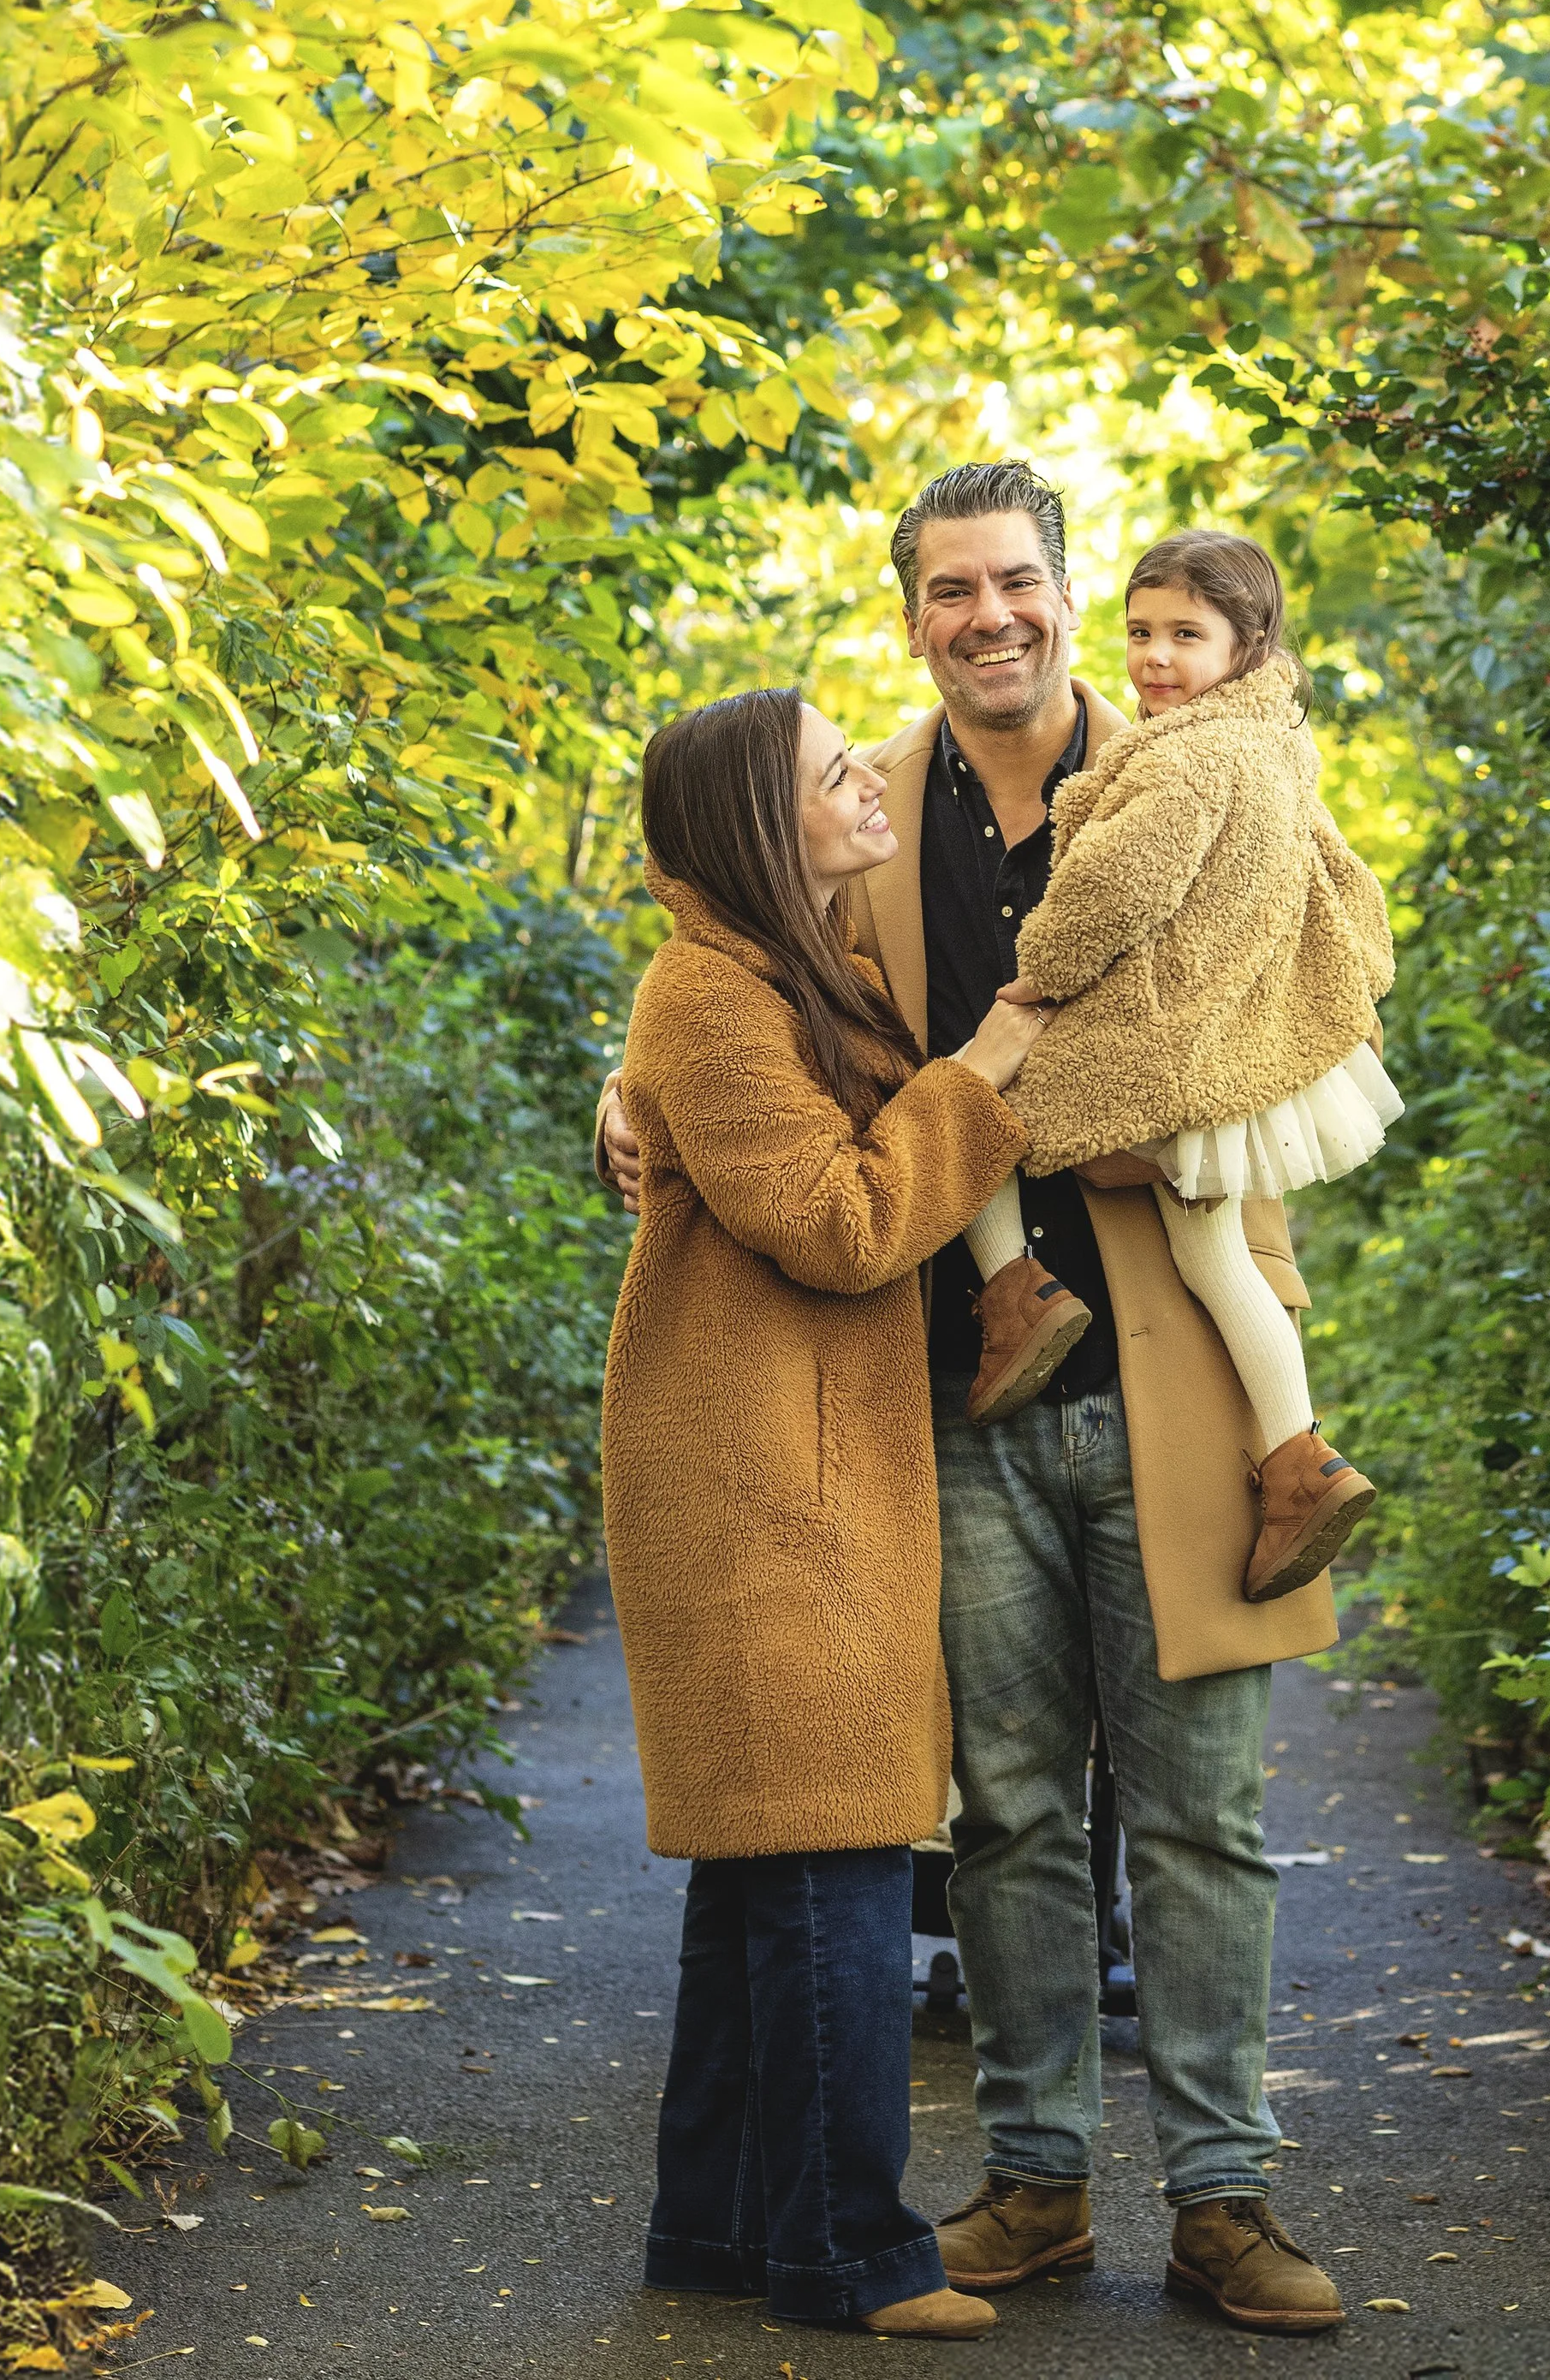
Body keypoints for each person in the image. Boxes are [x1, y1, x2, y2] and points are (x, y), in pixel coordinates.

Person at [600, 468, 1349, 2337]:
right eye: (950, 590)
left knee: (1199, 1809)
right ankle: (1031, 2181)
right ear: (910, 610)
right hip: (958, 1384)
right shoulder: (863, 824)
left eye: (1018, 581)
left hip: (1182, 1364)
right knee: (1003, 1808)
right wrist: (627, 1096)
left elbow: (1331, 943)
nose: (987, 616)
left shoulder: (1194, 757)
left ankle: (1224, 2193)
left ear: (1069, 596)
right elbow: (732, 987)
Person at [598, 685, 1045, 2341]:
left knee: (767, 1866)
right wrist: (985, 1071)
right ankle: (851, 2254)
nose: (867, 778)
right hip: (757, 1485)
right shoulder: (708, 993)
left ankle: (715, 2233)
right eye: (828, 773)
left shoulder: (797, 972)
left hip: (807, 1465)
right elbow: (846, 1223)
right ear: (754, 827)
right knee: (837, 1859)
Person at [958, 530, 1401, 1604]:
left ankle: (1017, 1293)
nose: (1154, 658)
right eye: (1140, 633)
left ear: (1248, 646)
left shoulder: (1190, 760)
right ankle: (1299, 1457)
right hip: (1221, 1052)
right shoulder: (1277, 748)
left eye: (1185, 637)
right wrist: (1327, 987)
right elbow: (1347, 891)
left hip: (1158, 1048)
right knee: (1217, 1262)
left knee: (974, 1112)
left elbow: (1118, 883)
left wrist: (1040, 977)